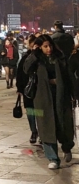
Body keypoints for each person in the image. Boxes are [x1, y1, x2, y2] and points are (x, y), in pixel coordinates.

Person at [23, 34, 75, 169]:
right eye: (45, 46)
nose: (49, 49)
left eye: (50, 45)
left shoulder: (60, 58)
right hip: (42, 98)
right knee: (46, 128)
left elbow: (69, 76)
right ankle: (52, 158)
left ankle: (67, 147)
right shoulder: (36, 59)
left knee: (63, 124)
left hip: (60, 96)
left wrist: (74, 94)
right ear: (40, 47)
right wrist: (34, 53)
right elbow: (25, 69)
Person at [16, 34, 39, 144]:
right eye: (33, 44)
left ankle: (41, 132)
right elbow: (20, 73)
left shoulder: (42, 58)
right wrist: (20, 88)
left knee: (40, 111)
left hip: (40, 89)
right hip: (28, 89)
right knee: (30, 111)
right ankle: (34, 131)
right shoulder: (26, 58)